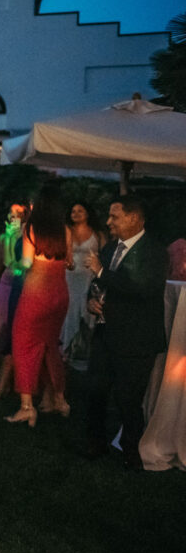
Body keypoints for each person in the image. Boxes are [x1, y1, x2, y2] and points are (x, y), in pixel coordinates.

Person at [83, 195, 167, 470]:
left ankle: (132, 452)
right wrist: (91, 301)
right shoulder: (109, 249)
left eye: (114, 216)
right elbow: (97, 285)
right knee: (95, 390)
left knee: (128, 398)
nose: (108, 222)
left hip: (136, 338)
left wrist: (101, 273)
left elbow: (142, 289)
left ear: (133, 218)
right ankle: (95, 443)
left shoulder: (154, 251)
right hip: (106, 334)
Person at [6, 184, 73, 426]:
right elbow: (70, 263)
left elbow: (25, 262)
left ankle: (27, 407)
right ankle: (59, 400)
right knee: (51, 346)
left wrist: (16, 267)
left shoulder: (31, 228)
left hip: (36, 294)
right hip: (60, 295)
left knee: (24, 345)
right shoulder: (65, 231)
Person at [0, 203, 26, 400]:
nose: (13, 218)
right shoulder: (4, 237)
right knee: (4, 328)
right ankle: (5, 372)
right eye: (11, 214)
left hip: (24, 284)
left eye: (18, 214)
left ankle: (16, 375)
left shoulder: (28, 237)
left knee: (19, 329)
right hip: (7, 282)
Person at [60, 201, 106, 362]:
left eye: (80, 210)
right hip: (69, 276)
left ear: (88, 213)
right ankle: (65, 348)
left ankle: (84, 348)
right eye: (73, 211)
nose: (76, 213)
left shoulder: (97, 234)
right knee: (69, 311)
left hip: (88, 277)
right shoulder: (66, 231)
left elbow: (104, 255)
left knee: (86, 312)